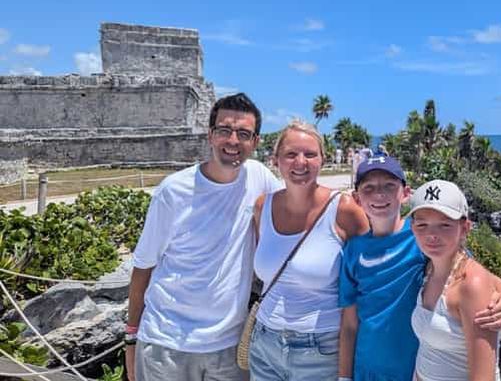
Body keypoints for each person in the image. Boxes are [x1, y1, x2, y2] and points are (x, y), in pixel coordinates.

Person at [126, 93, 282, 381]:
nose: (233, 141)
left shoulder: (259, 178)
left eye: (243, 134)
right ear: (210, 135)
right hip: (166, 344)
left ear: (256, 142)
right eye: (224, 130)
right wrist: (131, 338)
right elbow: (143, 267)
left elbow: (298, 205)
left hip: (228, 346)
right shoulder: (173, 191)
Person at [338, 157, 501, 381]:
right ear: (357, 198)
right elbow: (349, 323)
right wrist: (344, 376)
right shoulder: (355, 249)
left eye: (389, 186)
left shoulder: (423, 239)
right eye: (369, 187)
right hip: (366, 369)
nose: (379, 194)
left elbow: (471, 272)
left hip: (409, 367)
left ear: (405, 193)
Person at [248, 120, 370, 380]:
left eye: (310, 154)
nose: (300, 162)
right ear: (276, 160)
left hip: (321, 349)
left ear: (322, 160)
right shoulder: (262, 206)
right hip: (265, 344)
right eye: (290, 154)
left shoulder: (344, 209)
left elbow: (375, 269)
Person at [410, 180, 501, 381]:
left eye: (445, 225)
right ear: (412, 227)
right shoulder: (429, 269)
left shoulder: (472, 284)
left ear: (465, 228)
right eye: (422, 224)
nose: (432, 235)